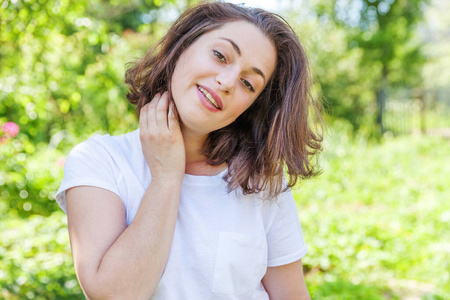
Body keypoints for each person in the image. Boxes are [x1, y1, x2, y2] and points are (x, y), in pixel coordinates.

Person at [56, 1, 323, 299]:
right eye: (220, 55)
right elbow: (115, 294)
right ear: (182, 46)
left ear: (252, 107)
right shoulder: (99, 161)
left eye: (248, 83)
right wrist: (166, 177)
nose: (226, 82)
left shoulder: (262, 182)